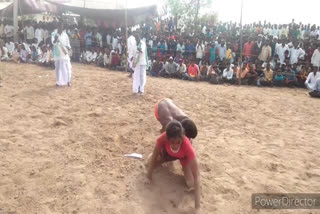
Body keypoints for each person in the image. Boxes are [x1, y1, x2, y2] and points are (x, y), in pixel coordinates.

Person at [146, 121, 201, 214]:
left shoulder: (187, 146)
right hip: (168, 154)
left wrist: (197, 207)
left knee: (191, 183)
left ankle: (185, 167)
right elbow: (155, 155)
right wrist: (149, 176)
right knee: (149, 161)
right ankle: (167, 161)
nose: (175, 145)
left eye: (178, 142)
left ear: (183, 138)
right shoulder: (162, 138)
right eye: (172, 142)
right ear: (167, 138)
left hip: (183, 157)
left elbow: (197, 175)